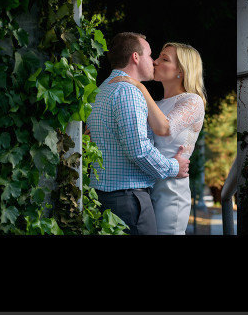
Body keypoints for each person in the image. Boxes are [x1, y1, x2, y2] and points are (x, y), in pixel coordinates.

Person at [86, 32, 190, 235]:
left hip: (104, 197)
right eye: (150, 55)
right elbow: (139, 151)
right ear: (135, 57)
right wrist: (173, 167)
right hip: (129, 201)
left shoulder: (101, 90)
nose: (153, 61)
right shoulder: (128, 92)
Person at [111, 42, 206, 235]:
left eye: (164, 59)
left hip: (171, 191)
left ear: (181, 70)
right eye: (157, 57)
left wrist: (138, 86)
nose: (154, 62)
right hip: (145, 188)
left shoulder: (193, 101)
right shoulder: (156, 104)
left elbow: (166, 128)